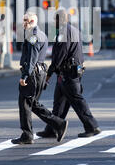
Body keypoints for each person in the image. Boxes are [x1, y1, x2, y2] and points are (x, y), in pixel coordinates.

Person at [37, 9, 100, 139]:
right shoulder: (74, 30)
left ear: (60, 20)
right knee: (59, 104)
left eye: (55, 19)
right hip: (69, 72)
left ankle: (92, 126)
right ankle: (52, 129)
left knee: (77, 100)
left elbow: (59, 56)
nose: (53, 22)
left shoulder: (63, 33)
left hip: (68, 74)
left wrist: (48, 75)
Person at [11, 12, 68, 145]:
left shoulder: (33, 36)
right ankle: (58, 124)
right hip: (39, 73)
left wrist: (25, 76)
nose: (23, 23)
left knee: (25, 104)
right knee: (33, 104)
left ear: (31, 21)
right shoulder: (41, 34)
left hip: (33, 74)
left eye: (25, 20)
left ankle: (28, 135)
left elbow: (32, 58)